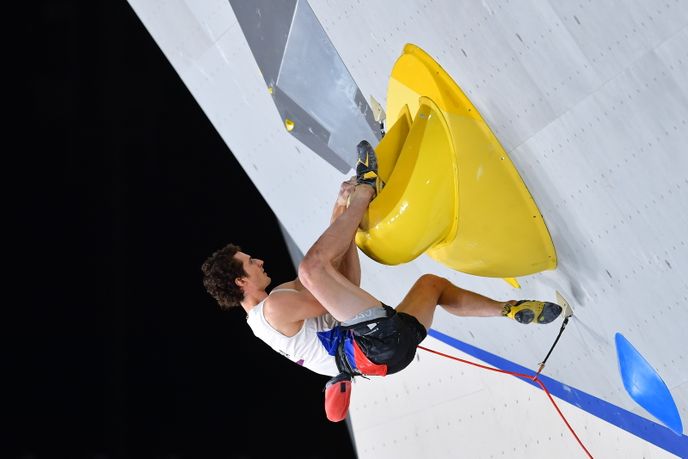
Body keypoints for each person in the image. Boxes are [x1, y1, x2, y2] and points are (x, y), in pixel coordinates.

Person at [201, 141, 563, 422]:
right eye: (250, 262)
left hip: (389, 355)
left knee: (431, 285)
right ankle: (368, 189)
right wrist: (351, 201)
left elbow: (345, 283)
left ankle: (511, 309)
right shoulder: (274, 307)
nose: (259, 260)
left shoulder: (270, 313)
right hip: (372, 345)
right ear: (240, 282)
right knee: (312, 271)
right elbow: (327, 282)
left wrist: (340, 208)